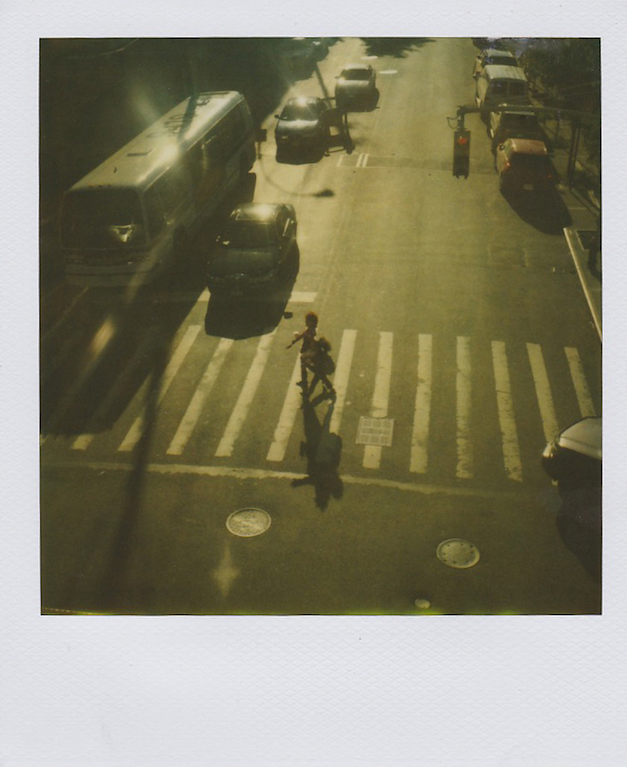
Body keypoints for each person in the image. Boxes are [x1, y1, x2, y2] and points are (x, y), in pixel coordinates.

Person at [286, 311, 318, 388]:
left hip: (308, 350)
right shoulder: (310, 330)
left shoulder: (310, 331)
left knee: (304, 364)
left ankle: (306, 380)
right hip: (308, 350)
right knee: (304, 364)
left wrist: (294, 342)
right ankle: (306, 380)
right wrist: (293, 342)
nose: (306, 322)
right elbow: (302, 335)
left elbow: (305, 337)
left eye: (307, 321)